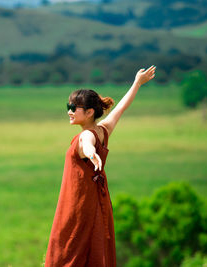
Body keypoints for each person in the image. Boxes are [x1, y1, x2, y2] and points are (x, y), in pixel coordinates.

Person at [44, 66, 156, 267]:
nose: (69, 111)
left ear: (88, 112)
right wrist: (136, 83)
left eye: (73, 108)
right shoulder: (102, 131)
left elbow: (86, 142)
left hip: (78, 206)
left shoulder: (86, 135)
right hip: (97, 201)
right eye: (68, 106)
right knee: (94, 250)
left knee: (67, 250)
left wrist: (90, 152)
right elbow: (120, 108)